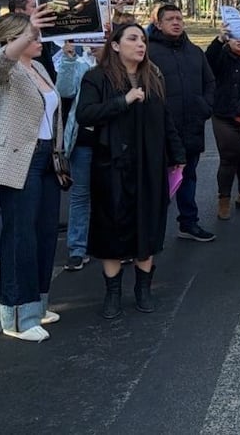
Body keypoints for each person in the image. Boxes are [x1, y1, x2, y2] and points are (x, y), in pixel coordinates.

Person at [77, 24, 186, 318]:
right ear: (115, 45)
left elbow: (165, 119)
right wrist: (122, 101)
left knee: (147, 225)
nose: (140, 45)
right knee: (110, 228)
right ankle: (113, 292)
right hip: (111, 165)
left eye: (143, 40)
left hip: (149, 164)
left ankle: (143, 288)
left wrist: (177, 154)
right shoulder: (96, 77)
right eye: (132, 39)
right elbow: (84, 114)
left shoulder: (154, 76)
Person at [0, 8, 62, 342]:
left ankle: (38, 305)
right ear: (14, 38)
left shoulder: (39, 66)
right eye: (32, 36)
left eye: (39, 35)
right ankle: (17, 317)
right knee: (19, 239)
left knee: (44, 234)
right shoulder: (6, 69)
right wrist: (30, 32)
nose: (39, 40)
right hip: (18, 160)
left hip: (47, 160)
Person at [146, 4, 216, 242]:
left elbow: (210, 82)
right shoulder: (148, 52)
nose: (176, 22)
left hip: (192, 128)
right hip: (161, 131)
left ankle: (188, 223)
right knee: (156, 182)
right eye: (170, 19)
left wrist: (204, 107)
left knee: (189, 177)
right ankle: (149, 231)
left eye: (179, 18)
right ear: (158, 24)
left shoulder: (195, 52)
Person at [205, 27, 240, 220]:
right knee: (229, 157)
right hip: (223, 115)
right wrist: (219, 40)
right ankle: (224, 199)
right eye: (235, 37)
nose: (239, 41)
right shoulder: (221, 56)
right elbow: (208, 60)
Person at [56, 41, 99, 271]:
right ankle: (77, 249)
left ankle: (113, 245)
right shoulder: (81, 65)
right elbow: (64, 90)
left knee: (111, 193)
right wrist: (69, 58)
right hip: (83, 141)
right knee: (81, 194)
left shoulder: (123, 65)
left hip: (112, 142)